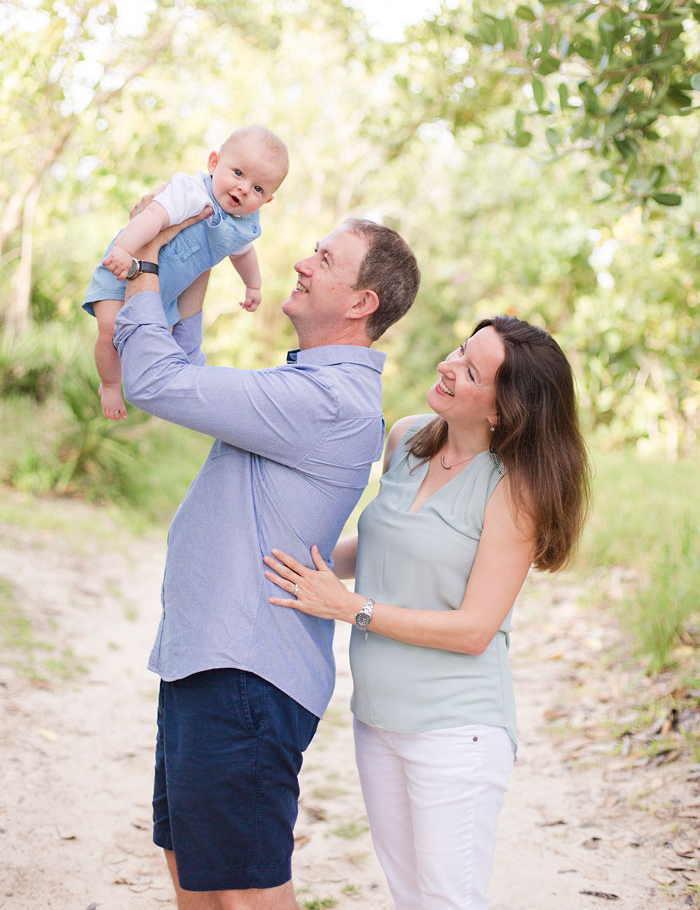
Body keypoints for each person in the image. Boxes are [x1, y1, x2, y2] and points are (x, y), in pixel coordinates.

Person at [112, 213, 420, 910]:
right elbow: (180, 370)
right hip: (212, 660)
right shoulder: (306, 387)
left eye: (324, 258)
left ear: (361, 302)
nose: (303, 264)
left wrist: (142, 265)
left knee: (246, 890)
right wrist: (190, 274)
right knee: (195, 868)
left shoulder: (325, 400)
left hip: (245, 674)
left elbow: (157, 383)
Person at [264, 314, 590, 910]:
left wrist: (351, 608)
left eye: (470, 371)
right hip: (377, 719)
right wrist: (295, 566)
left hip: (455, 730)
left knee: (446, 900)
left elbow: (473, 631)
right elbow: (387, 547)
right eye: (460, 350)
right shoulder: (409, 439)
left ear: (501, 410)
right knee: (409, 895)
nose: (447, 365)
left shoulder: (515, 490)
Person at [83, 125, 289, 420]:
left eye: (258, 188)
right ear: (214, 163)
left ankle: (127, 378)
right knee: (110, 331)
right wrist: (124, 250)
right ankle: (110, 384)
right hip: (122, 272)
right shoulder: (191, 193)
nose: (244, 188)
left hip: (162, 295)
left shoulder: (242, 225)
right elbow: (150, 217)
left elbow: (244, 255)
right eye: (239, 173)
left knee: (151, 344)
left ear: (267, 200)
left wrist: (253, 287)